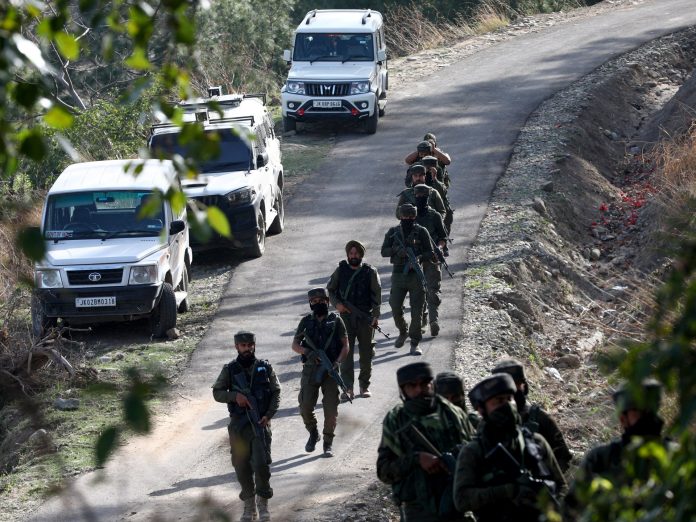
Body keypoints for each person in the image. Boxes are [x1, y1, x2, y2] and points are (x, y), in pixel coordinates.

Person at [453, 374, 567, 522]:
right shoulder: (473, 451)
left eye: (509, 398)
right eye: (499, 401)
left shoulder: (536, 442)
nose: (507, 405)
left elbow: (561, 485)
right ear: (481, 410)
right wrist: (508, 491)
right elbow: (462, 500)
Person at [563, 379, 677, 519]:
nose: (647, 415)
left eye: (649, 409)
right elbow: (571, 510)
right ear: (623, 419)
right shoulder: (600, 459)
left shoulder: (676, 455)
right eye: (638, 411)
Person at [377, 362, 475, 522]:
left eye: (424, 384)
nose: (419, 390)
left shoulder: (453, 414)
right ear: (403, 390)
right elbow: (384, 471)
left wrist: (457, 457)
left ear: (432, 384)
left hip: (457, 503)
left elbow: (476, 454)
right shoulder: (396, 420)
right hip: (418, 508)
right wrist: (416, 459)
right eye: (412, 386)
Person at [212, 331, 281, 522]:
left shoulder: (265, 367)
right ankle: (249, 506)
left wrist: (269, 414)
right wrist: (235, 396)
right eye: (243, 346)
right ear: (237, 347)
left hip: (259, 424)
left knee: (261, 465)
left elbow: (276, 391)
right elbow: (217, 392)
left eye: (250, 345)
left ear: (254, 345)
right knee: (241, 467)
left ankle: (263, 504)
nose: (247, 349)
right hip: (238, 426)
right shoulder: (230, 369)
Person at [291, 288, 349, 457]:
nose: (318, 303)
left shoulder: (336, 320)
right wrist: (307, 352)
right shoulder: (305, 322)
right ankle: (313, 432)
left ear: (327, 301)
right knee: (305, 406)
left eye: (321, 300)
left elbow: (345, 345)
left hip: (330, 370)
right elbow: (295, 345)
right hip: (311, 370)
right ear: (310, 304)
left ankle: (327, 442)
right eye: (314, 301)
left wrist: (337, 363)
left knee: (331, 409)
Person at [491, 358, 573, 472]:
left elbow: (563, 457)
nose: (511, 390)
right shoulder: (488, 422)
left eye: (516, 384)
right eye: (505, 387)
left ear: (524, 385)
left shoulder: (541, 418)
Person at [326, 239, 382, 400]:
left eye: (356, 253)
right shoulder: (340, 270)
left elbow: (377, 295)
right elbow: (330, 290)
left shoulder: (370, 272)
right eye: (351, 253)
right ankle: (348, 388)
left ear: (361, 255)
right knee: (346, 353)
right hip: (345, 317)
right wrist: (337, 305)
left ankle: (364, 386)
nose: (353, 256)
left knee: (366, 353)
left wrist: (375, 316)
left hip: (365, 317)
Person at [381, 204, 434, 355]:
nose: (408, 219)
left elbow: (430, 252)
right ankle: (403, 331)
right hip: (398, 274)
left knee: (417, 311)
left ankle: (415, 342)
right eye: (405, 216)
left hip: (416, 276)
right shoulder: (393, 232)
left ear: (414, 217)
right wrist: (397, 250)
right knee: (395, 306)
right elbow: (384, 251)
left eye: (411, 216)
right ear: (400, 217)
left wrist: (419, 258)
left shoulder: (421, 232)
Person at [413, 184, 447, 337]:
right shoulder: (410, 216)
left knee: (432, 290)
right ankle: (423, 320)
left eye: (423, 196)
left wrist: (439, 249)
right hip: (416, 259)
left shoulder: (435, 216)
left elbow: (442, 238)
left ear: (428, 197)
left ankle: (434, 320)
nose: (420, 198)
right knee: (418, 293)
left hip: (432, 258)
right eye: (418, 196)